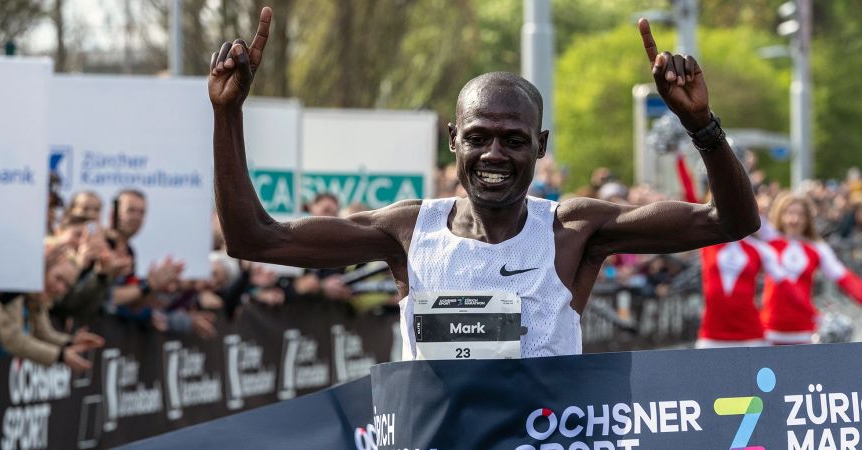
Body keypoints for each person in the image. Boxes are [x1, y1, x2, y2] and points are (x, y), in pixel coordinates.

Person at [208, 8, 759, 359]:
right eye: (479, 137)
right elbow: (254, 239)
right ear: (454, 140)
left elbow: (731, 221)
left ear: (540, 147)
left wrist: (699, 125)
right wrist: (227, 114)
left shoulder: (573, 230)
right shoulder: (407, 230)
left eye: (514, 140)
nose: (494, 154)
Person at [761, 193, 862, 345]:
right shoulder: (770, 240)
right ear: (779, 214)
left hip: (804, 331)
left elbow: (844, 277)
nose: (794, 219)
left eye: (800, 214)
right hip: (769, 329)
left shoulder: (817, 248)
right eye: (789, 213)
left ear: (808, 218)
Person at [0, 243, 105, 371]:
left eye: (67, 286)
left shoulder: (37, 294)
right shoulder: (14, 283)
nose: (60, 288)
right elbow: (12, 339)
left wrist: (71, 342)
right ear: (44, 268)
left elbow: (42, 332)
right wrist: (61, 356)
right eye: (58, 278)